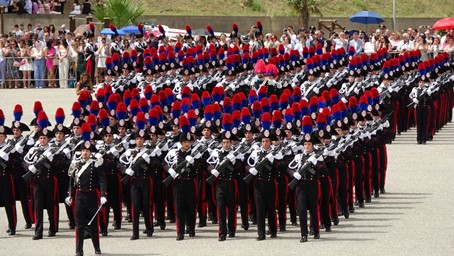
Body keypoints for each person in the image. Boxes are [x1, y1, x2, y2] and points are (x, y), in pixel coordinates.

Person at [67, 123, 107, 256]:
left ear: (90, 152)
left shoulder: (96, 163)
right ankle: (79, 250)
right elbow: (72, 180)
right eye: (83, 151)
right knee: (79, 225)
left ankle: (97, 247)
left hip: (91, 196)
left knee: (94, 224)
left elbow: (102, 179)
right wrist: (69, 195)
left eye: (87, 151)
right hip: (79, 196)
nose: (85, 153)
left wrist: (103, 194)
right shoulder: (76, 163)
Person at [23, 119, 59, 240]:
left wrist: (51, 160)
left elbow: (59, 165)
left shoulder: (53, 150)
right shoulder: (33, 149)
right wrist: (30, 167)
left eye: (45, 138)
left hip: (49, 180)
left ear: (48, 139)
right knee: (38, 206)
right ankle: (38, 232)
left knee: (50, 205)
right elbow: (25, 162)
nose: (43, 140)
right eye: (41, 138)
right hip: (37, 181)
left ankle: (52, 228)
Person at [246, 127, 278, 241]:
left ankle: (273, 230)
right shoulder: (256, 152)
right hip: (258, 184)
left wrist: (272, 161)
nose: (265, 143)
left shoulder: (275, 153)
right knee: (260, 209)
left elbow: (281, 167)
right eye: (263, 141)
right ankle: (261, 233)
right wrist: (251, 169)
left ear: (270, 142)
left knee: (271, 208)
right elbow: (248, 163)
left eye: (267, 141)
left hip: (270, 183)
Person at [0, 118, 17, 236]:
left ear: (5, 137)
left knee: (8, 202)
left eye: (1, 136)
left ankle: (12, 226)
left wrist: (8, 160)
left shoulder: (10, 147)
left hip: (6, 178)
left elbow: (17, 162)